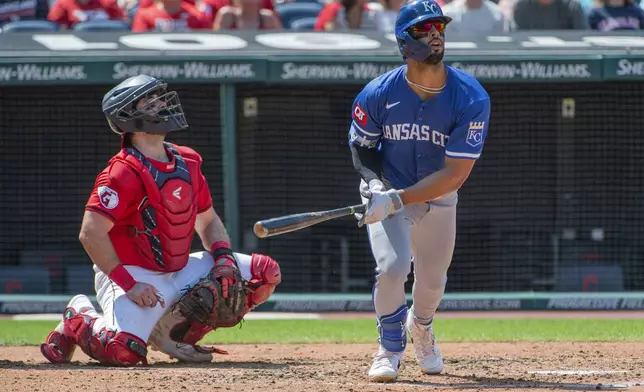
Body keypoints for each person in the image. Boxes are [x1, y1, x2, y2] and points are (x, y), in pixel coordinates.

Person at [40, 74, 281, 366]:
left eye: (159, 98)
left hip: (177, 271)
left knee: (263, 273)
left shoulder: (188, 161)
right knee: (123, 351)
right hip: (134, 275)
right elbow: (90, 233)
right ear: (129, 116)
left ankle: (173, 335)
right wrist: (129, 285)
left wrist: (223, 258)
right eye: (149, 100)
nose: (162, 104)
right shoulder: (121, 172)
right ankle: (76, 317)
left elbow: (208, 221)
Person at [347, 0, 491, 383]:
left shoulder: (470, 96)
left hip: (436, 195)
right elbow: (362, 147)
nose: (434, 35)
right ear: (403, 41)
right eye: (423, 29)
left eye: (438, 28)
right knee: (393, 268)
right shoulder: (377, 93)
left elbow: (455, 174)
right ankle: (389, 349)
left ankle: (421, 328)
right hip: (388, 188)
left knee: (432, 282)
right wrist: (377, 187)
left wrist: (397, 199)